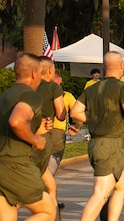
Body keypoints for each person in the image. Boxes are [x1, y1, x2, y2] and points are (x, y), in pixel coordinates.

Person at [71, 51, 124, 221]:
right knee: (101, 193)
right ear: (122, 66)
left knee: (122, 186)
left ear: (104, 68)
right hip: (110, 145)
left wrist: (93, 119)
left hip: (97, 144)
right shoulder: (123, 87)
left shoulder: (92, 88)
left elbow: (75, 111)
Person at [0, 53, 56, 221]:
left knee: (8, 214)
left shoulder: (5, 96)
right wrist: (36, 140)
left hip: (2, 164)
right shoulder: (31, 95)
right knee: (47, 211)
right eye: (40, 73)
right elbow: (16, 122)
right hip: (16, 163)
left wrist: (35, 131)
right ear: (33, 73)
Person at [33, 56, 66, 213]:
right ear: (51, 70)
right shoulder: (54, 88)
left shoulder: (29, 87)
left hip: (28, 133)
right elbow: (60, 114)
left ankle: (53, 215)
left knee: (50, 184)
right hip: (43, 135)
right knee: (34, 181)